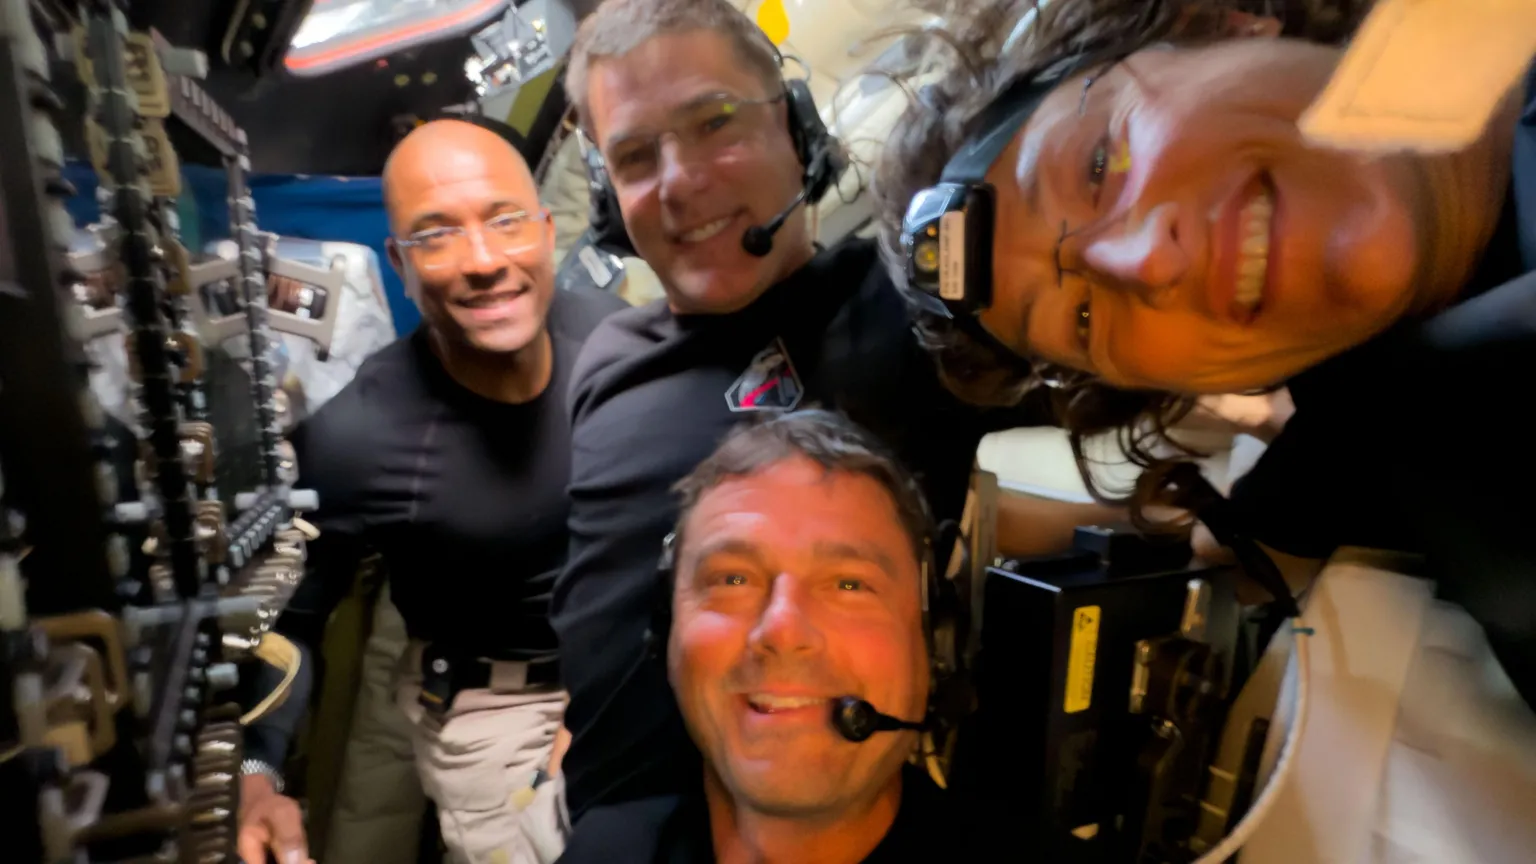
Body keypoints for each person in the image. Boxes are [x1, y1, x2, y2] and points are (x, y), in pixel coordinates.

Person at [873, 1, 1536, 702]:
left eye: (1097, 165)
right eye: (1086, 319)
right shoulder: (1438, 458)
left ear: (1218, 24)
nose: (1145, 262)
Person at [550, 0, 1066, 833]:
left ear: (797, 129)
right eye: (637, 155)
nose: (679, 182)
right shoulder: (608, 359)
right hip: (599, 832)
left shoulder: (910, 310)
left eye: (715, 122)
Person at [235, 119, 627, 864]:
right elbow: (289, 618)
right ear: (400, 265)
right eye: (437, 236)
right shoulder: (358, 438)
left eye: (505, 221)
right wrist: (255, 768)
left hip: (632, 666)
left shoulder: (617, 342)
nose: (484, 261)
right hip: (501, 708)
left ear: (545, 230)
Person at [559, 410, 994, 864]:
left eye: (849, 584)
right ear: (666, 634)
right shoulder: (602, 848)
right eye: (732, 580)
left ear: (935, 644)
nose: (782, 630)